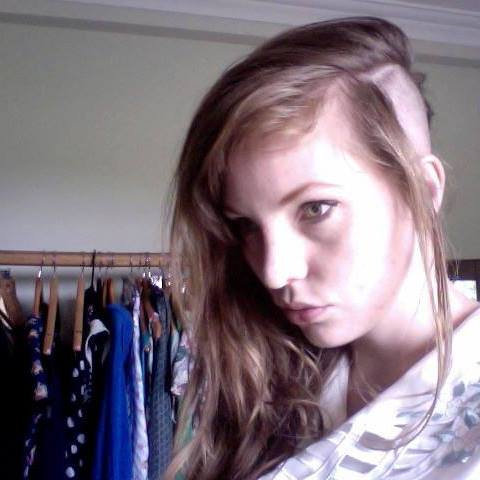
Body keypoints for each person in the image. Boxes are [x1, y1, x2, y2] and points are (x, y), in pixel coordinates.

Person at [165, 16, 480, 480]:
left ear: (423, 190)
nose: (273, 272)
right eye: (246, 225)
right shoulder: (263, 381)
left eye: (316, 209)